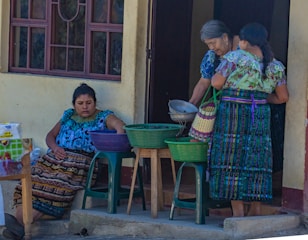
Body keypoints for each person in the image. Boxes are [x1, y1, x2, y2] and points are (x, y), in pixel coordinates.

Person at [3, 83, 126, 239]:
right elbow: (50, 136)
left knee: (55, 184)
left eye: (89, 103)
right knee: (30, 181)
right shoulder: (68, 116)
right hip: (53, 159)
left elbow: (120, 126)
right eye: (80, 103)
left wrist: (115, 142)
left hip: (78, 164)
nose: (85, 107)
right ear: (74, 104)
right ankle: (19, 225)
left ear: (95, 103)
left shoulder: (104, 116)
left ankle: (18, 225)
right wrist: (55, 148)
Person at [209, 22, 289, 217]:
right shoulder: (275, 65)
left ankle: (238, 213)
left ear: (243, 41)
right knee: (257, 161)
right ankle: (256, 210)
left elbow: (217, 83)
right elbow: (282, 97)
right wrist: (259, 96)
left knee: (231, 160)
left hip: (232, 115)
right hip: (259, 116)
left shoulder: (235, 58)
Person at [188, 20, 239, 142]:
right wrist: (190, 105)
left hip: (244, 105)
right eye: (208, 44)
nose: (211, 47)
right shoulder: (211, 55)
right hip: (223, 106)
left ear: (225, 37)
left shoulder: (243, 48)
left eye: (213, 43)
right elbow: (204, 82)